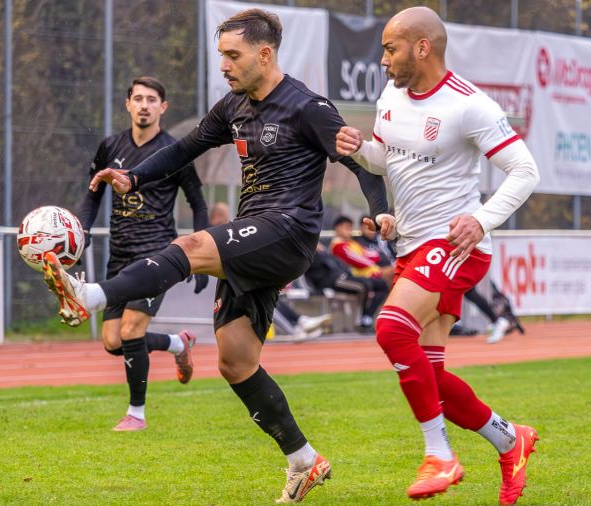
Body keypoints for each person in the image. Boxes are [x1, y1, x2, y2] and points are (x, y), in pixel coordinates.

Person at [43, 9, 387, 503]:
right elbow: (184, 150)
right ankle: (303, 460)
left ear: (264, 54)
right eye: (221, 55)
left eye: (233, 55)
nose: (224, 65)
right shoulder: (233, 107)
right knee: (235, 359)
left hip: (289, 231)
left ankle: (90, 295)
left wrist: (379, 212)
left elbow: (361, 161)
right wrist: (133, 177)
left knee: (192, 244)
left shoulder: (307, 106)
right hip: (255, 235)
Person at [335, 7, 540, 504]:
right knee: (431, 374)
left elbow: (525, 170)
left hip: (454, 245)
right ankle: (511, 440)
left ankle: (440, 456)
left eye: (391, 48)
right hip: (411, 244)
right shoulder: (390, 95)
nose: (383, 60)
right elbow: (389, 158)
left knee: (390, 329)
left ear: (422, 47)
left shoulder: (470, 105)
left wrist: (482, 220)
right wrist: (361, 150)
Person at [76, 76, 210, 432]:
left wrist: (201, 255)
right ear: (128, 104)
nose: (145, 105)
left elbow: (197, 203)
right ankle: (177, 343)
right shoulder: (110, 147)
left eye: (152, 99)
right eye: (138, 98)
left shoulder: (175, 151)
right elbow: (92, 195)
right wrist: (82, 232)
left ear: (163, 107)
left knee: (133, 329)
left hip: (156, 256)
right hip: (120, 254)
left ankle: (136, 414)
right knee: (113, 341)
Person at [210, 202, 331, 341]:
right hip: (230, 288)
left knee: (268, 296)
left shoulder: (229, 234)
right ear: (213, 217)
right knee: (261, 299)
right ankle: (294, 329)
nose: (225, 219)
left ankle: (300, 322)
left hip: (241, 282)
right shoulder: (213, 237)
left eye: (226, 216)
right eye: (221, 216)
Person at [305, 242, 388, 332]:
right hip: (333, 281)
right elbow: (319, 276)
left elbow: (339, 266)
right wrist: (315, 251)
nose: (320, 245)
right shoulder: (310, 255)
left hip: (344, 276)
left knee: (381, 284)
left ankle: (367, 316)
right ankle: (363, 321)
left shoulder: (326, 253)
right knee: (365, 286)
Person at [330, 215, 393, 282]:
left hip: (368, 271)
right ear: (338, 228)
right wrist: (378, 265)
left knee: (393, 271)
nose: (350, 231)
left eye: (351, 228)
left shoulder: (351, 242)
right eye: (347, 228)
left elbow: (367, 253)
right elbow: (360, 261)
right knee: (392, 272)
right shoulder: (338, 246)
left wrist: (377, 257)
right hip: (360, 275)